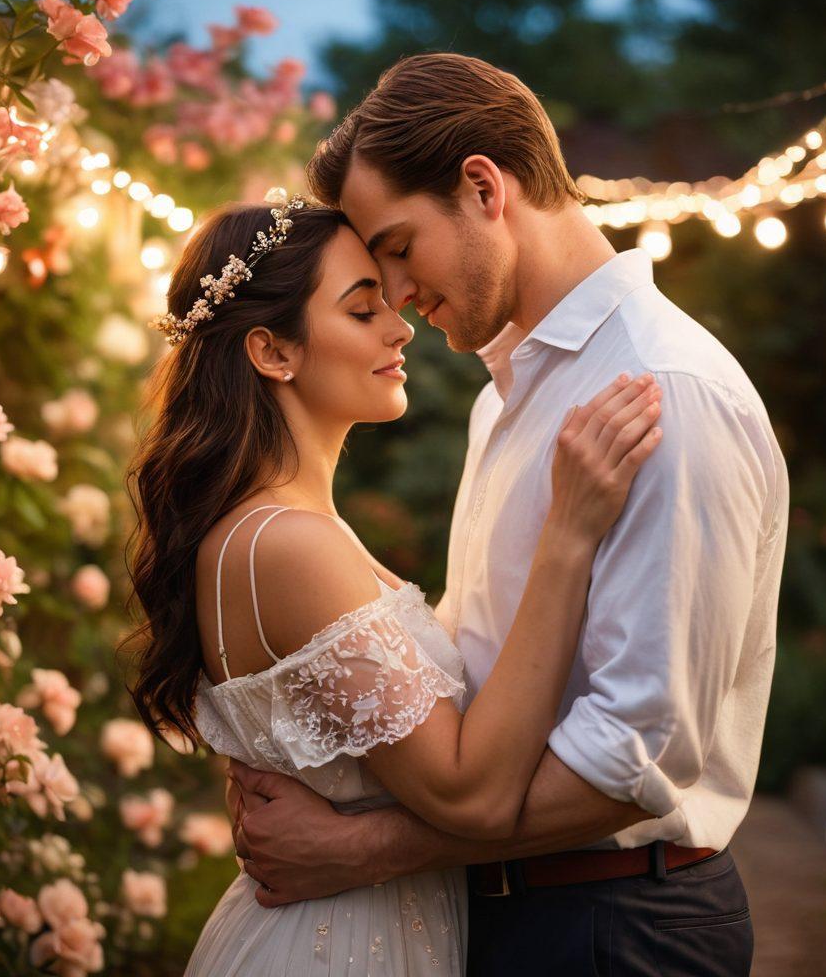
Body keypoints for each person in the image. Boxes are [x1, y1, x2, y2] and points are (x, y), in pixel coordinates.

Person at [227, 53, 790, 977]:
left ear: (484, 188)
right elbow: (475, 663)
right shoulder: (509, 395)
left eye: (400, 250)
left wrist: (361, 851)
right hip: (504, 911)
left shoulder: (664, 394)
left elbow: (633, 753)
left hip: (616, 928)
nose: (398, 297)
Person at [125, 193, 664, 976]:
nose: (401, 326)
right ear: (274, 352)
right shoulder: (287, 544)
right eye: (361, 308)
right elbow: (469, 794)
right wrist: (569, 535)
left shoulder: (296, 530)